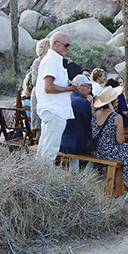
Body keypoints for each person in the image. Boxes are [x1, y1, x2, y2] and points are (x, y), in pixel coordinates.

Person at [35, 32, 81, 163]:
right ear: (55, 44)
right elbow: (48, 87)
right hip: (54, 111)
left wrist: (68, 82)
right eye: (66, 45)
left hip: (53, 110)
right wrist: (69, 89)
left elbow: (54, 82)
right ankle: (43, 181)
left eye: (69, 45)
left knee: (45, 149)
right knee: (49, 151)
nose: (68, 48)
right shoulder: (51, 60)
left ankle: (37, 178)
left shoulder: (54, 60)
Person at [89, 85, 128, 182]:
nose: (118, 100)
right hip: (109, 152)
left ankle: (109, 175)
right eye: (116, 99)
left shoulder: (96, 114)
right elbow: (120, 140)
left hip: (96, 150)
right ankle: (120, 178)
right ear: (112, 102)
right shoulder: (116, 117)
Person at [59, 75, 94, 171]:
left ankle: (74, 172)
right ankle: (85, 175)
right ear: (79, 87)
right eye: (88, 87)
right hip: (79, 145)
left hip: (63, 142)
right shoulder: (83, 103)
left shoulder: (65, 99)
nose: (89, 90)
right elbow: (89, 126)